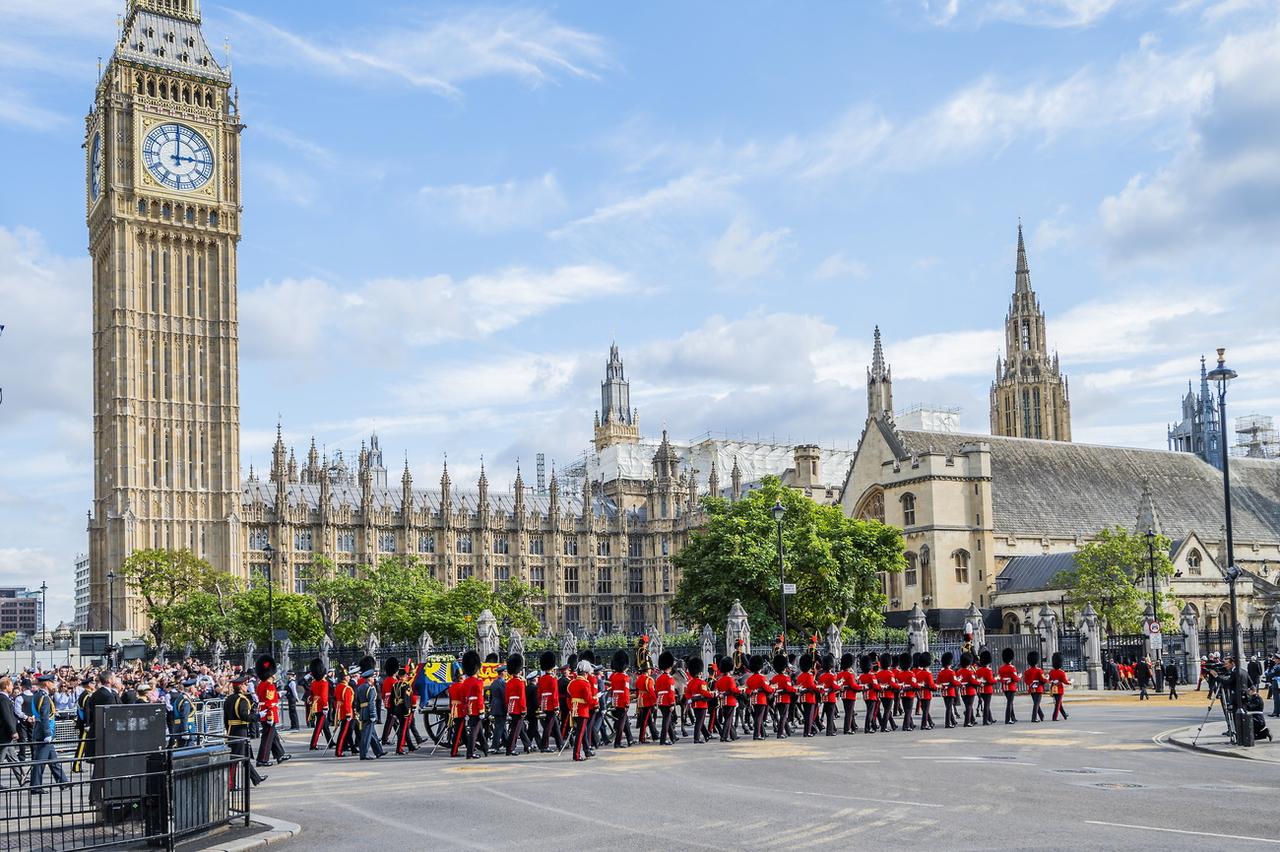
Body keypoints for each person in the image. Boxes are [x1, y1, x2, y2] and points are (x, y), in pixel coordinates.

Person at [28, 674, 67, 794]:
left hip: (39, 730)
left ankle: (63, 782)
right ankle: (35, 786)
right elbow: (44, 716)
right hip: (43, 732)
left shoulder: (37, 695)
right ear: (46, 683)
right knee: (39, 762)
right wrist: (47, 734)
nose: (54, 684)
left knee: (53, 759)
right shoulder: (44, 697)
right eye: (52, 682)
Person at [224, 675, 265, 787]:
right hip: (240, 731)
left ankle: (256, 778)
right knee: (236, 758)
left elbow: (225, 719)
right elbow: (244, 717)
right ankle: (230, 784)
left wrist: (228, 731)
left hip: (232, 730)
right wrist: (258, 716)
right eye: (245, 684)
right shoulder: (242, 700)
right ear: (241, 686)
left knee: (244, 756)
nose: (247, 686)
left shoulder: (229, 699)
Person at [254, 655, 287, 767]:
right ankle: (262, 759)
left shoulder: (260, 685)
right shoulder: (270, 686)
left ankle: (280, 755)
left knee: (273, 736)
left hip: (263, 711)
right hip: (269, 713)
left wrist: (278, 695)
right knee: (267, 737)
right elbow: (269, 702)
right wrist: (269, 716)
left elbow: (265, 698)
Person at [567, 660, 598, 761]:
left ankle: (587, 751)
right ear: (585, 673)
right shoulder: (585, 683)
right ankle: (576, 755)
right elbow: (588, 699)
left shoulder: (572, 682)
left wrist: (571, 708)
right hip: (582, 710)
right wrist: (595, 699)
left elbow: (568, 697)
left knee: (583, 732)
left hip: (574, 709)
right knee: (580, 734)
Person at [504, 654, 532, 755]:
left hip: (512, 707)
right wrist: (523, 709)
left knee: (520, 728)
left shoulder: (508, 682)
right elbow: (522, 697)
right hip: (518, 708)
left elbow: (507, 697)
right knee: (515, 730)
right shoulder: (520, 682)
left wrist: (508, 707)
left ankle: (527, 745)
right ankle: (510, 749)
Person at [536, 651, 563, 753]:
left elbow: (539, 693)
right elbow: (555, 694)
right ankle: (544, 745)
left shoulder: (541, 679)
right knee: (548, 726)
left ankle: (560, 743)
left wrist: (540, 704)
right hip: (552, 704)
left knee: (554, 725)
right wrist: (556, 707)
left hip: (544, 703)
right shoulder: (553, 679)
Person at [354, 667, 384, 760]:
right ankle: (364, 754)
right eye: (373, 677)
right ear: (369, 678)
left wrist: (359, 712)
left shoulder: (360, 688)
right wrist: (372, 715)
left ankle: (378, 751)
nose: (374, 679)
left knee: (372, 734)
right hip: (368, 713)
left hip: (363, 712)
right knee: (366, 736)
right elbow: (371, 703)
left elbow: (357, 702)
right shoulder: (370, 688)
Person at [608, 651, 633, 748]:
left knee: (624, 719)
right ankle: (617, 742)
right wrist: (627, 703)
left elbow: (613, 689)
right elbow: (626, 691)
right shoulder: (625, 677)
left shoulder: (613, 676)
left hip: (616, 700)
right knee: (621, 722)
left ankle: (630, 738)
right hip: (623, 700)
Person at [684, 657, 712, 743]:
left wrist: (690, 699)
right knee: (699, 722)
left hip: (694, 704)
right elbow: (704, 692)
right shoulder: (702, 682)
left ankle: (706, 735)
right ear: (700, 672)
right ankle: (696, 738)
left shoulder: (690, 682)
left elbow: (687, 694)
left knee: (700, 721)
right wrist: (711, 694)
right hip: (701, 703)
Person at [307, 659, 332, 750]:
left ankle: (331, 742)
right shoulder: (324, 682)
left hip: (315, 705)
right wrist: (325, 706)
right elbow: (324, 696)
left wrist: (311, 699)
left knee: (325, 725)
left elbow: (312, 693)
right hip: (322, 706)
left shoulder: (314, 682)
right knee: (319, 726)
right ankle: (313, 744)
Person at [655, 652, 678, 745]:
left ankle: (673, 737)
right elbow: (671, 692)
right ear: (670, 666)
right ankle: (663, 740)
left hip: (660, 701)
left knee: (666, 720)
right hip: (667, 701)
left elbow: (656, 690)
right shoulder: (670, 678)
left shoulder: (659, 678)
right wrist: (672, 703)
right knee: (666, 722)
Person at [333, 666, 356, 758]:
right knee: (343, 732)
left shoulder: (338, 686)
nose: (349, 677)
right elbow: (347, 703)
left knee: (348, 731)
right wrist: (348, 714)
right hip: (347, 712)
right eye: (348, 676)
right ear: (344, 678)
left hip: (340, 711)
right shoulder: (347, 688)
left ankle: (353, 748)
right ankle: (338, 751)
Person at [169, 679, 197, 747]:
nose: (196, 689)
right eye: (194, 687)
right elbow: (184, 716)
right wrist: (185, 731)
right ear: (191, 688)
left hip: (180, 727)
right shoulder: (185, 700)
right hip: (187, 727)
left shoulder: (181, 697)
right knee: (188, 750)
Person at [837, 653, 860, 735]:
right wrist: (862, 687)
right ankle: (847, 729)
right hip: (850, 695)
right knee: (849, 713)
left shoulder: (840, 674)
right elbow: (854, 686)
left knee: (849, 711)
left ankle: (853, 726)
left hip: (843, 695)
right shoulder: (850, 674)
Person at [914, 652, 936, 730]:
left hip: (920, 694)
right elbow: (932, 686)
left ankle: (930, 722)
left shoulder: (918, 674)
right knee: (926, 710)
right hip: (927, 694)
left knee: (924, 709)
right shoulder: (928, 674)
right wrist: (935, 687)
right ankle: (924, 725)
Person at [998, 648, 1020, 724]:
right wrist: (1019, 676)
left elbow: (1000, 678)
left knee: (1010, 702)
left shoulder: (1001, 668)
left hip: (1004, 687)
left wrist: (1005, 680)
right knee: (1009, 702)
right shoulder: (1012, 668)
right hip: (1011, 687)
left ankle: (1013, 717)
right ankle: (1008, 719)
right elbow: (1016, 679)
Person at [936, 652, 958, 729]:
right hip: (950, 692)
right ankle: (947, 723)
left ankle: (953, 721)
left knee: (948, 707)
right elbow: (955, 683)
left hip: (944, 692)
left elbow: (938, 682)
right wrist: (959, 681)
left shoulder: (941, 672)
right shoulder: (952, 672)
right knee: (949, 708)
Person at [1023, 651, 1046, 722]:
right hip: (1038, 689)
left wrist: (1031, 684)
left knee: (1036, 703)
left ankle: (1041, 715)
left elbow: (1026, 680)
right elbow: (1043, 679)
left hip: (1032, 689)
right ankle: (1034, 718)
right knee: (1036, 703)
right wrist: (1047, 678)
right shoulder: (1039, 670)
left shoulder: (1027, 671)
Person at [1048, 652, 1070, 721]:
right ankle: (1054, 717)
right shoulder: (1061, 672)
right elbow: (1065, 682)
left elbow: (1049, 680)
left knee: (1058, 703)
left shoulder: (1051, 671)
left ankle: (1064, 715)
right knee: (1057, 704)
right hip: (1059, 690)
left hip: (1053, 689)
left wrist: (1053, 681)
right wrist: (1070, 682)